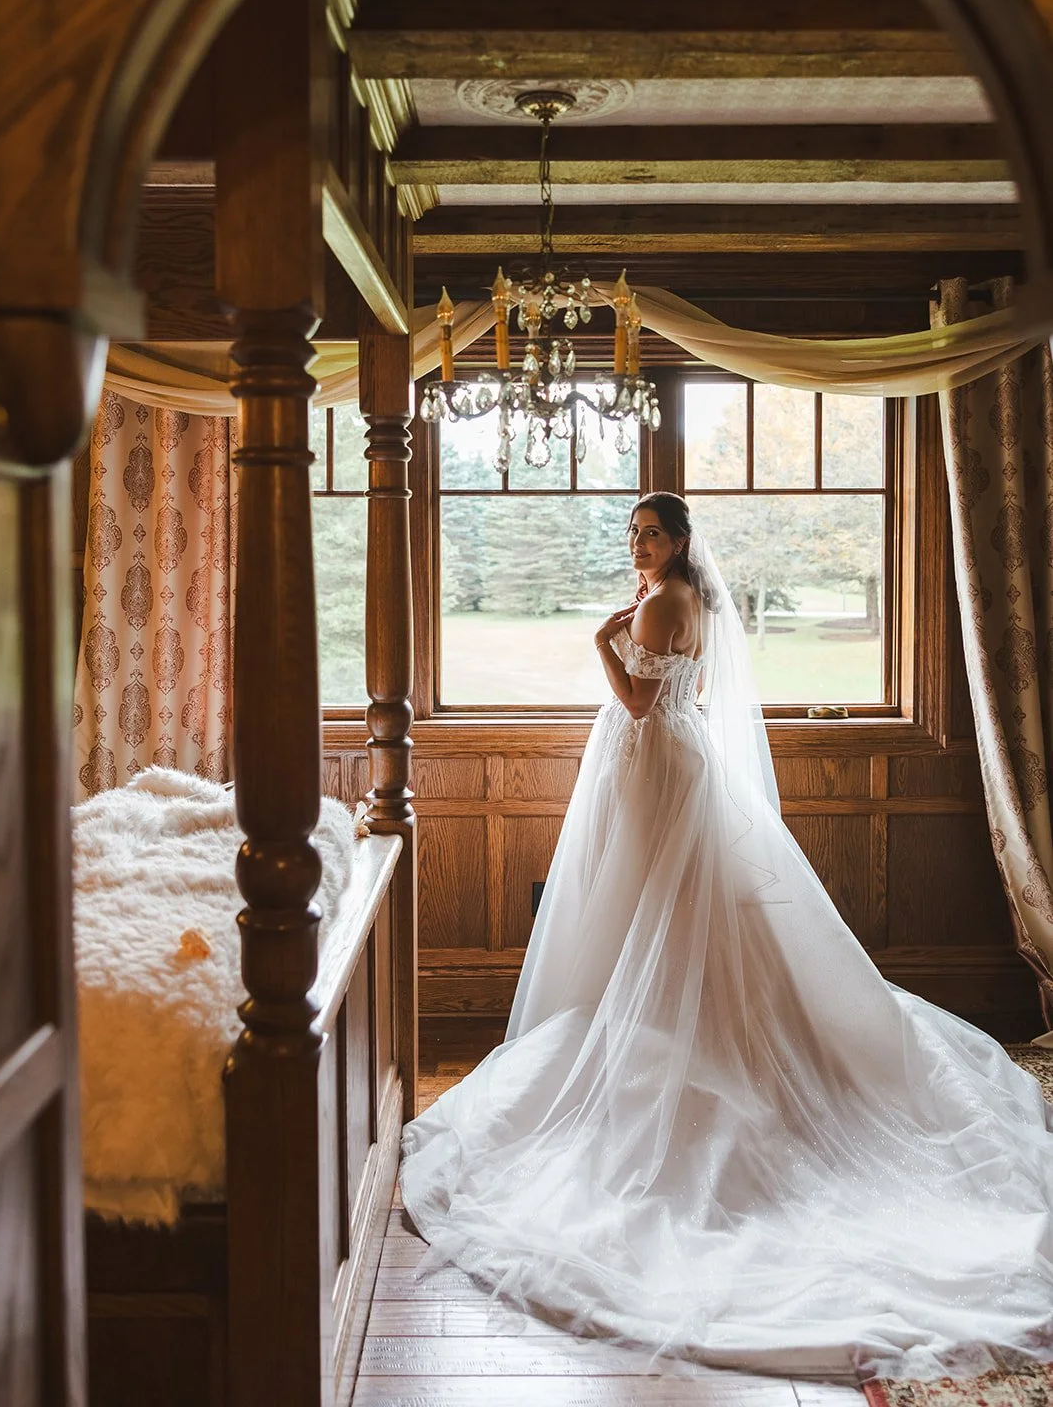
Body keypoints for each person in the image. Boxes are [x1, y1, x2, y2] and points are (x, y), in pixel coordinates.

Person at [401, 492, 1053, 1383]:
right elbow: (680, 692)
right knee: (651, 904)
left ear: (679, 541)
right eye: (632, 533)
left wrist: (600, 641)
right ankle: (659, 1021)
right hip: (670, 755)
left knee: (658, 902)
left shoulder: (664, 602)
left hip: (655, 755)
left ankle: (679, 1036)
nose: (639, 545)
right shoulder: (683, 599)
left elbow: (637, 701)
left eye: (652, 534)